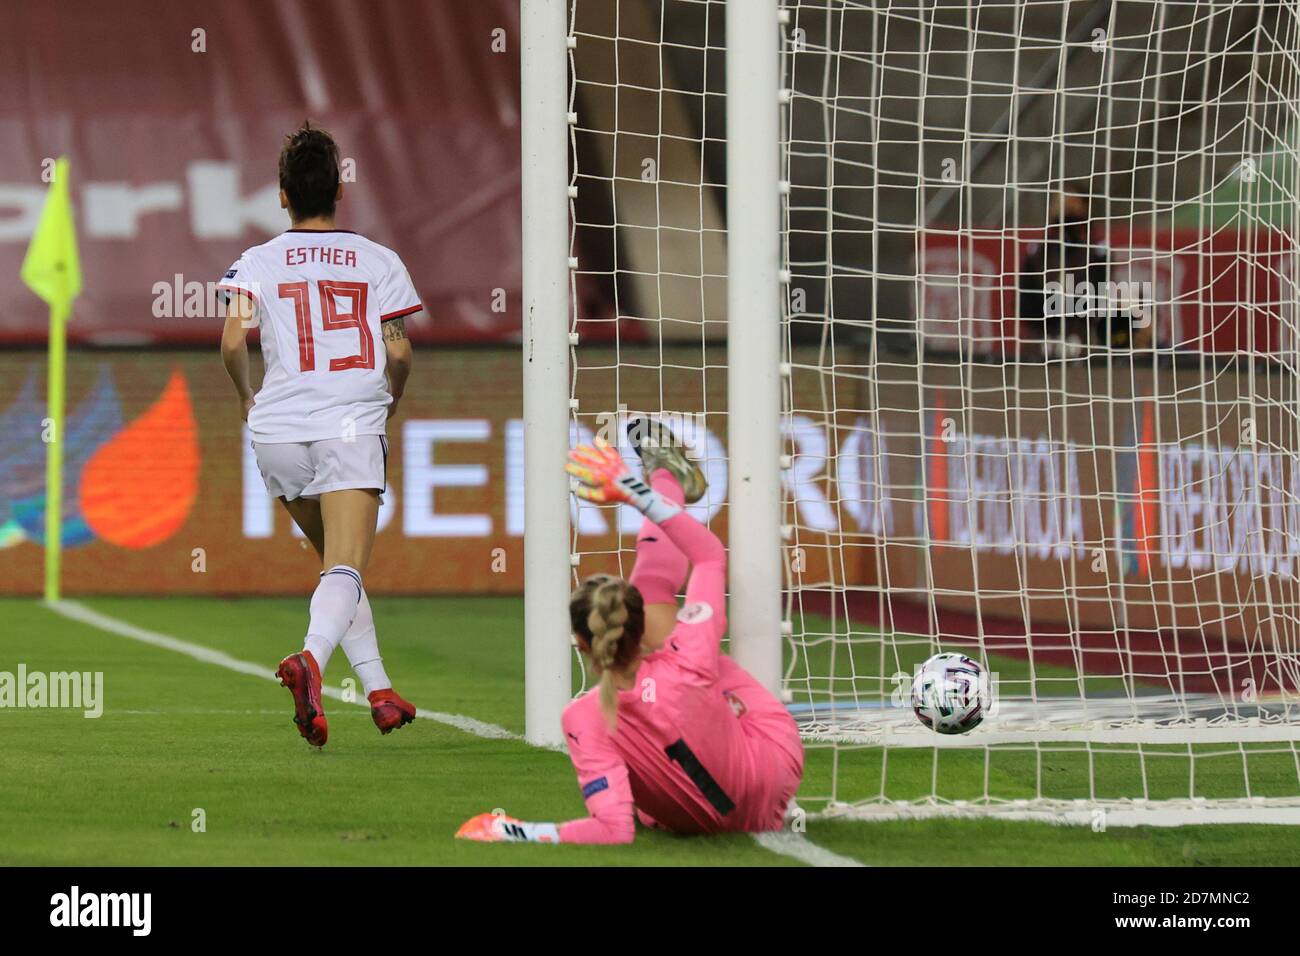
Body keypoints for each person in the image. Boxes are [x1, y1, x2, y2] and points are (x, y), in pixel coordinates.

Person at [456, 420, 804, 844]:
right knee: (661, 604)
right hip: (774, 774)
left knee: (648, 767)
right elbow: (710, 556)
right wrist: (631, 491)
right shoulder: (689, 648)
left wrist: (509, 830)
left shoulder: (581, 717)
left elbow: (613, 829)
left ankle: (669, 479)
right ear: (637, 631)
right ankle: (667, 481)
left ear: (580, 643)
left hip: (701, 820)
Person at [218, 121, 420, 747]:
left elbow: (231, 342)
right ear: (339, 190)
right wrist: (390, 405)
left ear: (283, 195)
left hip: (276, 430)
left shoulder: (257, 260)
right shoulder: (379, 260)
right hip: (348, 422)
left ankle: (379, 691)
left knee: (339, 567)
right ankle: (308, 661)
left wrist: (249, 398)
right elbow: (402, 352)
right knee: (346, 566)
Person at [1018, 186, 1145, 357]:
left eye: (1070, 203)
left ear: (1085, 208)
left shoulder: (1098, 253)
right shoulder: (1037, 254)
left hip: (1083, 341)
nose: (1062, 208)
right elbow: (1025, 304)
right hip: (1040, 341)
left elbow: (1096, 300)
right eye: (1058, 203)